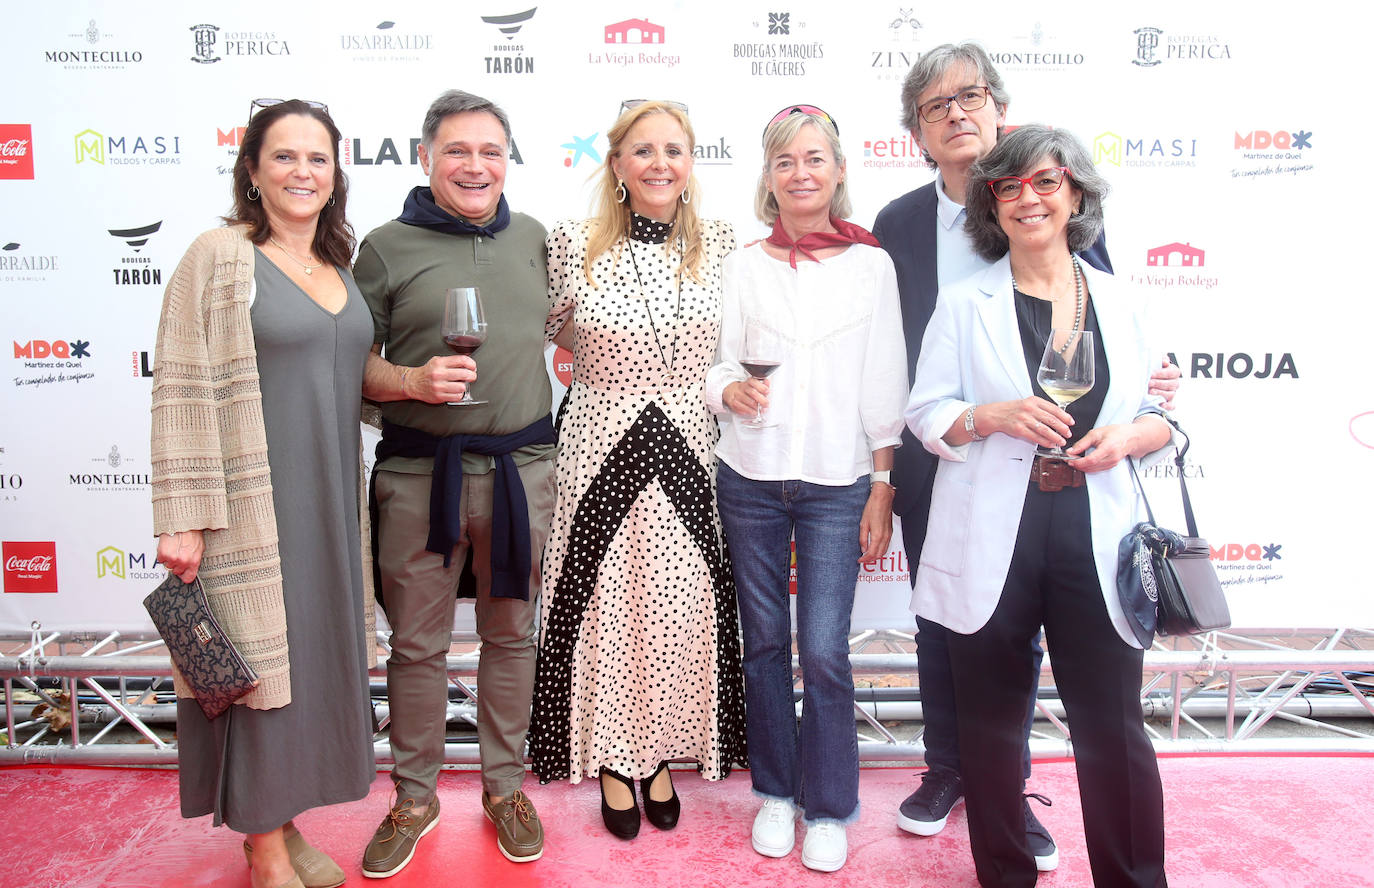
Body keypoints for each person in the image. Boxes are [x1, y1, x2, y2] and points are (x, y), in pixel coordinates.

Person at [872, 42, 1180, 869]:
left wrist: (1133, 435)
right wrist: (987, 416)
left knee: (1113, 727)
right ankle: (995, 851)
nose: (1029, 198)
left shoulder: (1119, 297)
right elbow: (926, 407)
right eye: (1012, 188)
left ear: (1076, 192)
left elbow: (1158, 411)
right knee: (987, 711)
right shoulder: (953, 291)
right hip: (984, 513)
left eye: (1047, 182)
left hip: (1093, 523)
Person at [152, 98, 376, 888]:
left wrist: (415, 380)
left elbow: (347, 379)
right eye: (284, 156)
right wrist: (181, 517)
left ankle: (284, 820)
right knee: (253, 671)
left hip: (326, 501)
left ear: (336, 172)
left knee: (302, 668)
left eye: (318, 158)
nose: (302, 172)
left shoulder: (337, 268)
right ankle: (263, 846)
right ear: (251, 170)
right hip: (247, 507)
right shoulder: (219, 255)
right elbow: (179, 382)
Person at [527, 100, 747, 840]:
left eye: (675, 150)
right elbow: (537, 330)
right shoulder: (572, 244)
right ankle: (615, 759)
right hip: (597, 441)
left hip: (690, 437)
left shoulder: (721, 244)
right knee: (606, 606)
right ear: (617, 164)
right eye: (643, 150)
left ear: (691, 163)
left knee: (679, 606)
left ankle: (657, 753)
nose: (660, 164)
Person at [353, 89, 556, 872]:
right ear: (425, 158)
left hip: (521, 474)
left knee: (512, 636)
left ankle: (504, 789)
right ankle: (413, 799)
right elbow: (346, 365)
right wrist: (408, 381)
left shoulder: (536, 239)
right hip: (415, 478)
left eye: (491, 151)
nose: (476, 166)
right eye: (458, 151)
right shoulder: (384, 246)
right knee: (416, 647)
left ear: (508, 159)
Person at [707, 106, 907, 873]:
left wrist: (882, 484)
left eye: (815, 158)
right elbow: (719, 364)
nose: (801, 172)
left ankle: (829, 808)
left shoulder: (872, 264)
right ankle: (777, 796)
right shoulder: (744, 263)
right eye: (785, 161)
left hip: (838, 483)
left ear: (839, 170)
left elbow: (885, 380)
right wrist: (730, 393)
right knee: (762, 647)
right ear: (768, 176)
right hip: (750, 478)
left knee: (823, 651)